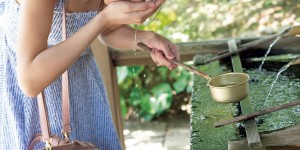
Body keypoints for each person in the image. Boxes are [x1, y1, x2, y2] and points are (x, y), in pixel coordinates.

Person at [0, 0, 180, 149]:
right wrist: (104, 18)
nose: (133, 6)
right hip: (33, 107)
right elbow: (29, 80)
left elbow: (108, 32)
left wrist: (146, 38)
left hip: (83, 96)